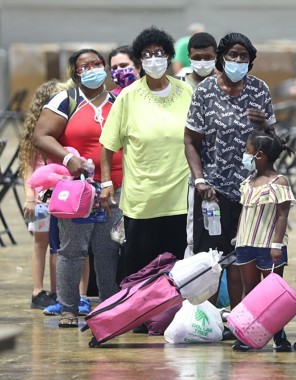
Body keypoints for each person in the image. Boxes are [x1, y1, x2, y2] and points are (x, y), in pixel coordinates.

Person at [184, 32, 276, 309]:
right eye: (232, 55)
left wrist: (265, 127)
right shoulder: (205, 91)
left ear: (250, 61)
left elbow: (274, 142)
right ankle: (206, 317)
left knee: (242, 257)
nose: (237, 60)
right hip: (212, 190)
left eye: (243, 56)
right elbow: (190, 140)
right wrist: (200, 180)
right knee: (210, 259)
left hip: (250, 191)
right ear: (222, 58)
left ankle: (238, 317)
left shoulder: (259, 89)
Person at [34, 48, 123, 327]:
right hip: (77, 190)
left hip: (115, 186)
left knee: (109, 248)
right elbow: (41, 135)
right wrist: (68, 158)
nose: (93, 69)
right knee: (73, 249)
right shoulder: (67, 100)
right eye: (86, 66)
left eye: (98, 64)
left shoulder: (118, 100)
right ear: (76, 72)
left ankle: (108, 305)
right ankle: (69, 308)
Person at [100, 26, 193, 279]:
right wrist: (106, 182)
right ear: (140, 61)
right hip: (143, 201)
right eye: (147, 54)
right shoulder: (128, 96)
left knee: (178, 270)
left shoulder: (186, 91)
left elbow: (197, 138)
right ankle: (138, 317)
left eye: (159, 52)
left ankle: (172, 318)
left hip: (180, 198)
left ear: (169, 56)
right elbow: (108, 144)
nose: (154, 59)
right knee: (138, 270)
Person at [20, 79, 92, 316]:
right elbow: (28, 169)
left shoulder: (65, 130)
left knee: (65, 246)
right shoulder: (35, 134)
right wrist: (30, 197)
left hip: (68, 196)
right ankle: (40, 291)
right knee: (44, 244)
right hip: (42, 198)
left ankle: (65, 293)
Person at [232, 128, 295, 352]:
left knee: (271, 292)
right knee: (249, 288)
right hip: (246, 243)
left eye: (247, 151)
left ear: (259, 155)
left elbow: (282, 215)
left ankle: (279, 335)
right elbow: (244, 212)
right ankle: (245, 333)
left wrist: (277, 245)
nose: (244, 155)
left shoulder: (279, 182)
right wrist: (238, 237)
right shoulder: (248, 182)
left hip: (269, 246)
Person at [182, 31, 218, 258]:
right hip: (184, 168)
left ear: (216, 56)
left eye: (208, 57)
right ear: (189, 56)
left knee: (218, 233)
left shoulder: (225, 84)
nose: (202, 62)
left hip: (217, 170)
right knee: (192, 235)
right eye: (197, 57)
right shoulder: (179, 84)